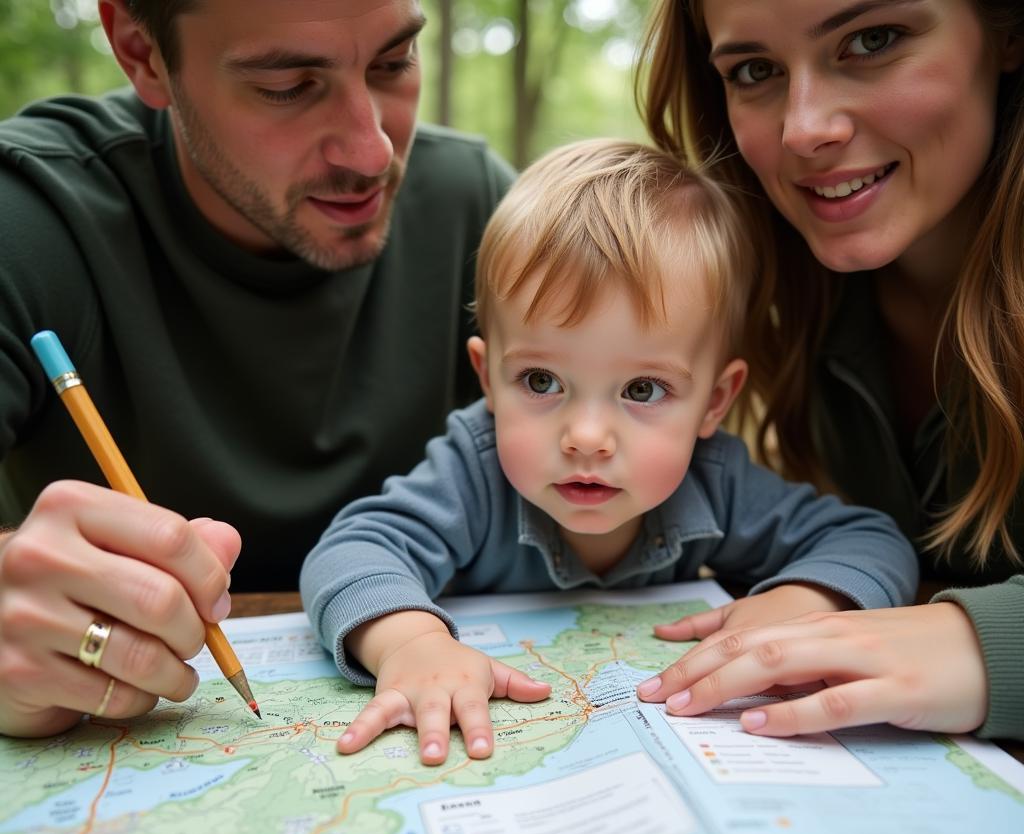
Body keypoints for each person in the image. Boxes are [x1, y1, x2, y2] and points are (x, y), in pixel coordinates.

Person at [299, 138, 919, 766]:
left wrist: (805, 603)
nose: (587, 436)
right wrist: (410, 644)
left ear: (713, 401)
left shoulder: (715, 481)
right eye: (541, 381)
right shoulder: (475, 470)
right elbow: (351, 551)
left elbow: (871, 541)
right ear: (488, 380)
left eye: (642, 389)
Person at [0, 0, 516, 739]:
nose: (372, 152)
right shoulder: (30, 217)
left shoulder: (478, 207)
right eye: (287, 86)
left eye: (393, 63)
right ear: (143, 53)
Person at [632, 0, 1024, 740]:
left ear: (1005, 32)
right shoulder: (781, 305)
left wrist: (989, 646)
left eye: (872, 41)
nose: (804, 128)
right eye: (755, 71)